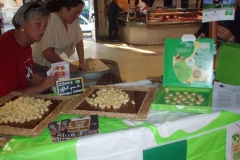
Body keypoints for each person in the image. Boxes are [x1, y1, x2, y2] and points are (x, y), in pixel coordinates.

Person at [0, 2, 58, 97]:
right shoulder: (5, 48)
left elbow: (29, 75)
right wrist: (41, 86)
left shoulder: (26, 43)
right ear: (22, 23)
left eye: (45, 25)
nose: (43, 30)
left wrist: (49, 83)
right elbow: (6, 97)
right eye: (38, 24)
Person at [32, 0, 88, 78]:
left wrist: (82, 62)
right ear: (65, 9)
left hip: (53, 65)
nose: (77, 16)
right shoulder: (52, 19)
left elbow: (79, 40)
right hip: (39, 66)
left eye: (79, 13)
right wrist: (67, 65)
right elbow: (48, 53)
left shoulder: (73, 20)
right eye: (75, 12)